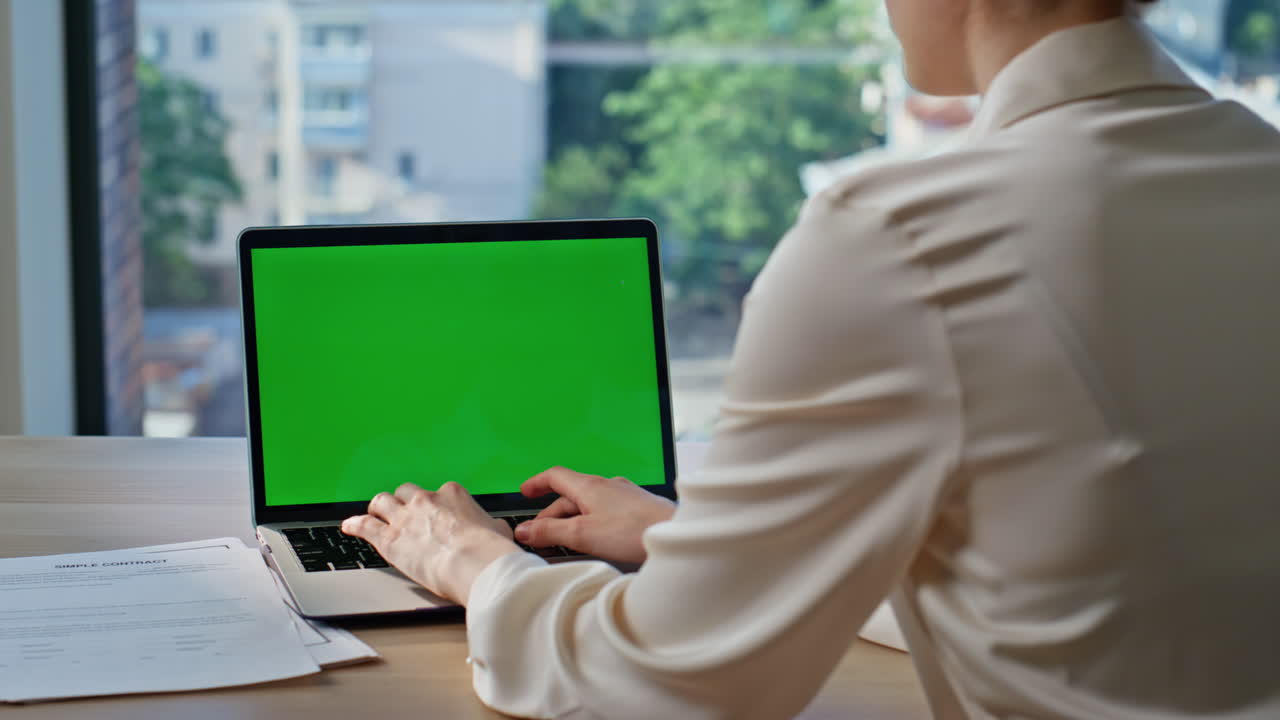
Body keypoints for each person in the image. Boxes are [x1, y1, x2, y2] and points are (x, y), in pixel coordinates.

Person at [341, 0, 1280, 717]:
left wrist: (474, 564)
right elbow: (1074, 583)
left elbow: (675, 684)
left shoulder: (901, 237)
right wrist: (687, 536)